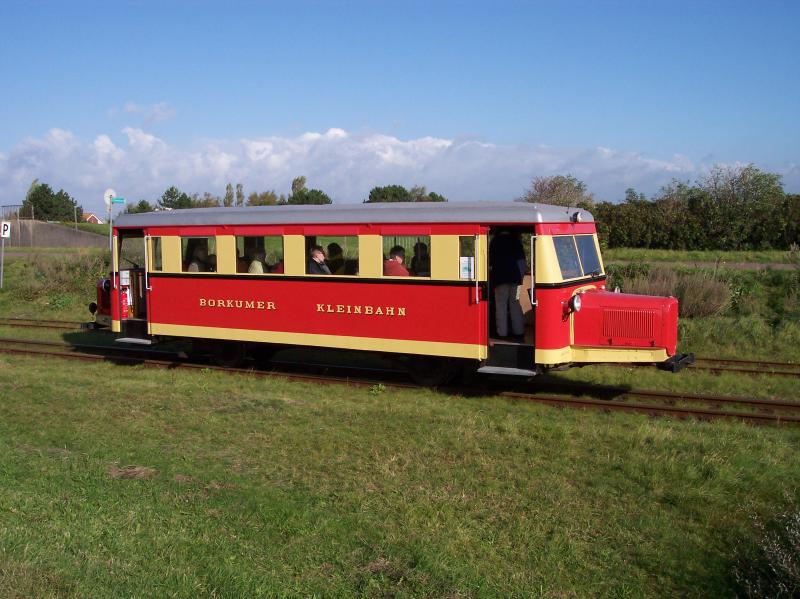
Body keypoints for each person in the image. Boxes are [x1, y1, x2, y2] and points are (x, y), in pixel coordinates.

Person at [489, 229, 526, 340]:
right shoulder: (517, 242)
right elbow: (523, 262)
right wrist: (520, 279)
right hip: (517, 281)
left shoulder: (495, 242)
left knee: (501, 306)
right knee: (515, 304)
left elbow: (490, 263)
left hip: (500, 280)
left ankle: (502, 333)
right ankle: (519, 332)